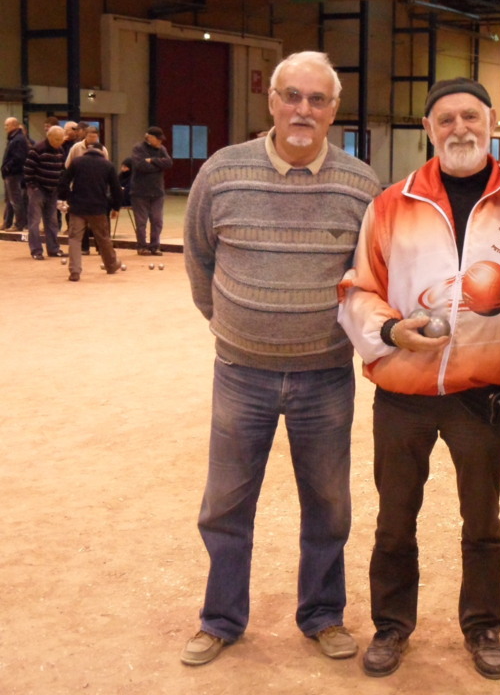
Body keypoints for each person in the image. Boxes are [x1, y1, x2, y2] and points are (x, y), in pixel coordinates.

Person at [337, 77, 500, 681]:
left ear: (491, 121)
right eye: (446, 119)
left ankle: (482, 627)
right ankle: (391, 626)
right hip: (402, 394)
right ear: (429, 130)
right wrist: (390, 331)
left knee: (483, 520)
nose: (460, 128)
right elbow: (358, 288)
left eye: (470, 117)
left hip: (482, 395)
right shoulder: (391, 203)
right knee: (395, 519)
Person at [181, 51, 381, 667]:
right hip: (241, 373)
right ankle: (221, 618)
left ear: (333, 111)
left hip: (326, 375)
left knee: (328, 502)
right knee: (226, 502)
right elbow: (198, 259)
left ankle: (322, 615)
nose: (303, 110)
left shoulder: (360, 183)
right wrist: (234, 323)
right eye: (292, 96)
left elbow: (371, 276)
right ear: (271, 101)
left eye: (316, 100)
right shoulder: (222, 172)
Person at [57, 142, 124, 280]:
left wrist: (67, 197)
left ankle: (75, 271)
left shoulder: (76, 162)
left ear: (87, 151)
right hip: (98, 208)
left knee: (75, 239)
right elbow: (116, 189)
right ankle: (111, 265)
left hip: (77, 207)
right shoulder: (107, 165)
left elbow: (63, 182)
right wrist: (115, 207)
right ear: (102, 153)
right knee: (103, 238)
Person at [22, 125, 66, 260]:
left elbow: (62, 170)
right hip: (38, 189)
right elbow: (28, 169)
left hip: (52, 190)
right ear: (49, 137)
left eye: (61, 139)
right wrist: (33, 187)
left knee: (52, 221)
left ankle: (53, 249)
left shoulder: (60, 150)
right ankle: (36, 251)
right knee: (35, 221)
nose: (59, 142)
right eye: (57, 139)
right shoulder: (37, 150)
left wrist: (59, 186)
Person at [130, 125, 172, 255]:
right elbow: (141, 166)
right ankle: (141, 246)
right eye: (158, 139)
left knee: (157, 221)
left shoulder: (161, 149)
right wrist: (159, 166)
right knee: (141, 222)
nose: (160, 142)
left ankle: (154, 246)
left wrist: (152, 160)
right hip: (140, 192)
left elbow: (169, 163)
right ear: (149, 137)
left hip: (157, 192)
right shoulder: (138, 149)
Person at [2, 117, 29, 231]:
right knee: (10, 200)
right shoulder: (14, 138)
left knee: (16, 200)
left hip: (14, 174)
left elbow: (19, 158)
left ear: (13, 125)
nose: (5, 128)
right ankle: (8, 222)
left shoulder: (18, 139)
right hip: (11, 174)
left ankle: (19, 224)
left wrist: (8, 168)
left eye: (7, 125)